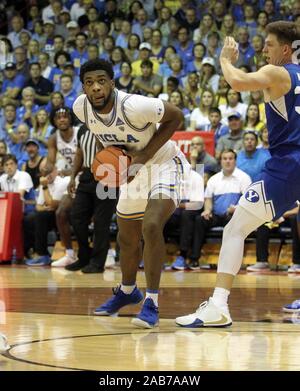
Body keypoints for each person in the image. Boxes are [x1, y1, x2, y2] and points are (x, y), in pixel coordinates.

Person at [176, 21, 300, 327]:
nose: (263, 49)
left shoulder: (278, 72)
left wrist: (224, 60)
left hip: (288, 165)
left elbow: (239, 82)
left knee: (234, 229)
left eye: (269, 44)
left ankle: (218, 306)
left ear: (286, 49)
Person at [72, 59, 190, 328]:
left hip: (163, 164)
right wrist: (114, 160)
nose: (96, 87)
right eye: (89, 83)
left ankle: (152, 302)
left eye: (102, 81)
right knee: (126, 237)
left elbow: (177, 116)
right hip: (133, 169)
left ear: (112, 83)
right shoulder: (80, 108)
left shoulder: (134, 105)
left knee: (150, 225)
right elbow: (103, 133)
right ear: (83, 87)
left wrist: (143, 155)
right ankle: (127, 291)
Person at [66, 124, 117, 273]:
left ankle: (97, 262)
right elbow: (79, 153)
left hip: (108, 174)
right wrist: (72, 177)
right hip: (87, 174)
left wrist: (103, 142)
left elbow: (116, 152)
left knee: (101, 221)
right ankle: (84, 257)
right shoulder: (82, 129)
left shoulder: (111, 126)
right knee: (76, 217)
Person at [43, 107, 78, 268]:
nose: (62, 119)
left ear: (71, 118)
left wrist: (69, 171)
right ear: (54, 121)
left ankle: (105, 252)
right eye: (59, 117)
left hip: (87, 175)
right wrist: (48, 169)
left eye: (65, 116)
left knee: (65, 212)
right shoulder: (53, 138)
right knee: (59, 212)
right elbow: (50, 161)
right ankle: (70, 254)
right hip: (71, 178)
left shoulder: (80, 132)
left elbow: (91, 160)